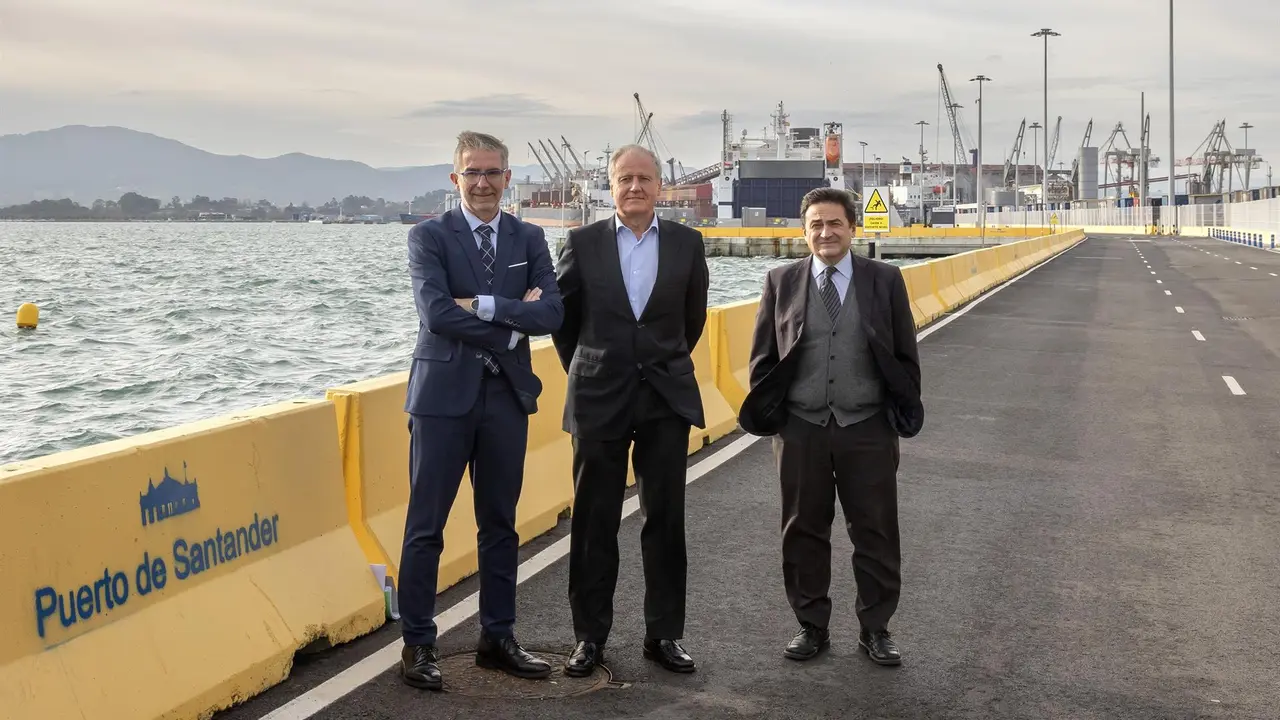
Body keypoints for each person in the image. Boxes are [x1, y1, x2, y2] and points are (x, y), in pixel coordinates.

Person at [399, 131, 564, 691]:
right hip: (442, 400)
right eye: (472, 172)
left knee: (499, 524)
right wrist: (513, 324)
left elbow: (553, 314)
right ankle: (418, 642)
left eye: (493, 172)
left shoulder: (529, 237)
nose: (483, 183)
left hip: (505, 398)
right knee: (426, 526)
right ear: (456, 179)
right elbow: (436, 313)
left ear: (508, 178)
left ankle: (498, 637)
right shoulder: (428, 237)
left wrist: (486, 307)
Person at [737, 187, 923, 667]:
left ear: (852, 228)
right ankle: (811, 625)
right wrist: (777, 416)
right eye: (816, 224)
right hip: (801, 427)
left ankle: (876, 628)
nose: (826, 232)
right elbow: (763, 357)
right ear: (804, 232)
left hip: (867, 425)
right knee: (803, 530)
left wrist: (898, 412)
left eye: (835, 223)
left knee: (876, 531)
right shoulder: (780, 280)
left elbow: (905, 353)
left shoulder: (885, 280)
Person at [551, 143, 710, 677]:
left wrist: (658, 361)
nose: (635, 187)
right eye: (625, 179)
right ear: (611, 186)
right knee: (593, 521)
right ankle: (589, 637)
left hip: (665, 395)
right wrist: (593, 367)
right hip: (599, 395)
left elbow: (692, 320)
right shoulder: (581, 243)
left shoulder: (687, 244)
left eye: (644, 178)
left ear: (660, 186)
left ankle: (663, 634)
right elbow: (565, 323)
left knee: (664, 519)